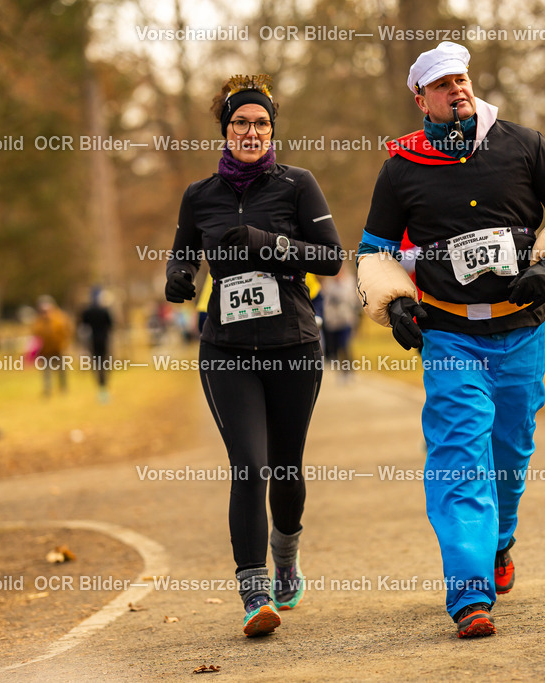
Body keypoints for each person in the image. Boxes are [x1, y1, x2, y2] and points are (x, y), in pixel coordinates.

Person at [355, 42, 545, 638]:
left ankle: (500, 542)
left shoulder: (524, 144)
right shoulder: (401, 168)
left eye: (461, 79)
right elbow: (373, 253)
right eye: (442, 85)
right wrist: (395, 301)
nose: (456, 89)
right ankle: (468, 592)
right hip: (450, 335)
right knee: (460, 456)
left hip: (521, 329)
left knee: (511, 451)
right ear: (422, 100)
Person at [164, 74, 342, 637]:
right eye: (241, 122)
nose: (251, 131)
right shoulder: (200, 196)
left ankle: (286, 556)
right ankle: (253, 591)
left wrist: (268, 244)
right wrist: (178, 279)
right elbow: (182, 256)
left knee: (285, 466)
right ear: (225, 129)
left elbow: (333, 258)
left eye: (261, 123)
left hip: (293, 344)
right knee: (250, 465)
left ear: (272, 131)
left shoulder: (297, 184)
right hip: (227, 348)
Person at [78, 286, 114, 402]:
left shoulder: (87, 311)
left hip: (92, 341)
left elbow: (82, 325)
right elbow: (110, 325)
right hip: (103, 340)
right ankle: (103, 386)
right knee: (104, 364)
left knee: (97, 365)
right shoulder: (104, 310)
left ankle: (101, 386)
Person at [321, 268, 359, 377]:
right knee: (336, 346)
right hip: (332, 321)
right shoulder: (328, 283)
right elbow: (325, 300)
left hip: (346, 319)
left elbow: (352, 299)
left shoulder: (349, 281)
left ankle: (348, 371)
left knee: (345, 345)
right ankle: (340, 370)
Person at [32, 295, 73, 396]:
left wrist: (64, 345)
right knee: (46, 372)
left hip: (58, 349)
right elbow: (36, 334)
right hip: (45, 351)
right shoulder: (39, 322)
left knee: (61, 370)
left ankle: (63, 388)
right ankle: (47, 390)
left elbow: (66, 332)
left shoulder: (59, 318)